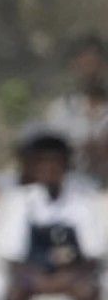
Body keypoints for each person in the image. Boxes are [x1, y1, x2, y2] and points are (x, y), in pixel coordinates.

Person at [0, 130, 104, 300]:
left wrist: (63, 280)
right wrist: (40, 280)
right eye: (42, 163)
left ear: (66, 166)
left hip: (72, 276)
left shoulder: (81, 201)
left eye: (55, 163)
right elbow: (13, 257)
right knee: (14, 297)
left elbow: (93, 256)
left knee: (89, 295)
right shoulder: (21, 201)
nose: (49, 170)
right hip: (33, 276)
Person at [45, 34, 108, 188]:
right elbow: (49, 156)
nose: (91, 71)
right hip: (74, 191)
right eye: (85, 64)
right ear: (74, 67)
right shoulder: (60, 110)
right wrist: (78, 149)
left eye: (95, 64)